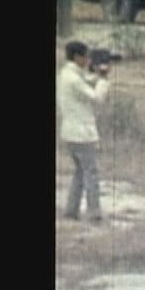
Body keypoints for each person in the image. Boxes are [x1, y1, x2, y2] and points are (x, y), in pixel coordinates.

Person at [57, 41, 111, 223]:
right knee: (91, 173)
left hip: (70, 132)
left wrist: (95, 74)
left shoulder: (66, 74)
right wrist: (103, 78)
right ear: (77, 57)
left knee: (80, 172)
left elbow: (85, 80)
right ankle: (94, 213)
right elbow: (97, 97)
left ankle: (71, 211)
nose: (88, 60)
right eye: (85, 56)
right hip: (82, 134)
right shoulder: (73, 79)